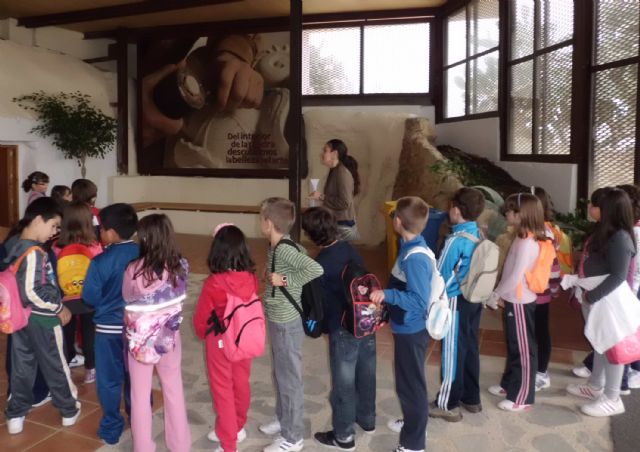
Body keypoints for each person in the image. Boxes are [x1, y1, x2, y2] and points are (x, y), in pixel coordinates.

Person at [301, 207, 375, 451]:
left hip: (342, 328)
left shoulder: (319, 264)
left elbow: (318, 305)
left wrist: (319, 327)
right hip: (366, 321)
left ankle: (343, 437)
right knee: (366, 372)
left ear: (312, 235)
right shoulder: (348, 249)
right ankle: (366, 419)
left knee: (343, 383)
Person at [3, 197, 80, 434]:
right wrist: (59, 308)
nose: (55, 232)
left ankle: (16, 414)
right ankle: (69, 409)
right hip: (42, 318)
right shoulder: (34, 252)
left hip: (19, 319)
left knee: (22, 367)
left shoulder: (13, 243)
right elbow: (32, 292)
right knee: (56, 365)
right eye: (54, 226)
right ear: (38, 219)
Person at [258, 197, 324, 452]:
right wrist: (271, 276)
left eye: (261, 218)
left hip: (287, 323)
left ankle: (293, 437)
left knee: (289, 379)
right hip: (278, 320)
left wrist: (283, 279)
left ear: (269, 223)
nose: (260, 222)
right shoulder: (278, 246)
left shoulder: (284, 249)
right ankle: (284, 418)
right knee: (280, 374)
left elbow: (314, 269)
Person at [122, 214, 191, 452]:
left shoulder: (133, 269)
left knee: (140, 395)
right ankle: (180, 445)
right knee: (174, 389)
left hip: (139, 341)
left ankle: (143, 447)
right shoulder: (181, 266)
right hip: (169, 337)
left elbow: (127, 297)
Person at [566, 188, 636, 417]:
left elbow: (618, 275)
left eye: (594, 204)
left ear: (605, 210)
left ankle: (612, 397)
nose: (590, 208)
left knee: (612, 346)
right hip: (596, 299)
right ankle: (596, 386)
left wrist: (591, 296)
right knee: (599, 342)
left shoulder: (620, 238)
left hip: (607, 301)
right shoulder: (605, 232)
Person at [370, 196, 432, 452]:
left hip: (412, 329)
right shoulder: (409, 245)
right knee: (407, 381)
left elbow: (419, 300)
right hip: (405, 326)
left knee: (411, 385)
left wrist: (388, 295)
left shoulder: (415, 257)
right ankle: (411, 421)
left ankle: (413, 443)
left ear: (397, 221)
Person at [193, 223, 260, 452]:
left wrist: (202, 333)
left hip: (220, 342)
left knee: (222, 390)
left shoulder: (214, 283)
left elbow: (201, 319)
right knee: (241, 384)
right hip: (244, 339)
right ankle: (236, 427)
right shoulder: (251, 278)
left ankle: (228, 442)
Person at [486, 193, 549, 412]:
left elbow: (515, 276)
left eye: (510, 210)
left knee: (523, 349)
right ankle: (509, 385)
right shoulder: (522, 237)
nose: (506, 213)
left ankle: (522, 397)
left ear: (521, 215)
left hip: (521, 301)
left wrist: (496, 294)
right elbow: (510, 272)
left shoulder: (526, 242)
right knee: (515, 345)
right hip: (514, 298)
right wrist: (502, 294)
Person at [82, 203, 139, 445]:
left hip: (107, 331)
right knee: (137, 378)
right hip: (138, 329)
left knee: (109, 380)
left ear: (113, 232)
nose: (100, 233)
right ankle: (139, 420)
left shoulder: (100, 262)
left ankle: (112, 427)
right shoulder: (145, 254)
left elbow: (90, 297)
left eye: (102, 229)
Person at [430, 187, 485, 422]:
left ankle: (448, 403)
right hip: (474, 299)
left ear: (455, 209)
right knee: (470, 346)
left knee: (452, 351)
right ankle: (471, 398)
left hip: (455, 301)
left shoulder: (455, 241)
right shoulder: (478, 234)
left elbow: (439, 275)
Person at [53, 202, 103, 384]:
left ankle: (66, 365)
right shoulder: (94, 246)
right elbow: (99, 272)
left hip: (65, 298)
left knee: (66, 333)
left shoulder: (57, 246)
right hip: (88, 298)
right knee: (90, 334)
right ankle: (91, 368)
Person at [532, 187, 562, 392]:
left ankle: (541, 373)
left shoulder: (544, 233)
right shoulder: (535, 229)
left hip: (539, 294)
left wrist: (553, 289)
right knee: (530, 333)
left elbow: (553, 266)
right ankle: (529, 371)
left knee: (540, 332)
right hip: (529, 294)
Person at [309, 139, 361, 241]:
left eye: (325, 150)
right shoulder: (335, 170)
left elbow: (344, 203)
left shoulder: (342, 173)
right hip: (337, 222)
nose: (322, 154)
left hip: (343, 224)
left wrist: (321, 196)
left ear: (335, 153)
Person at [617, 184, 640, 389]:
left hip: (633, 289)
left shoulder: (633, 231)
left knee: (627, 331)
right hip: (633, 288)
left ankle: (626, 377)